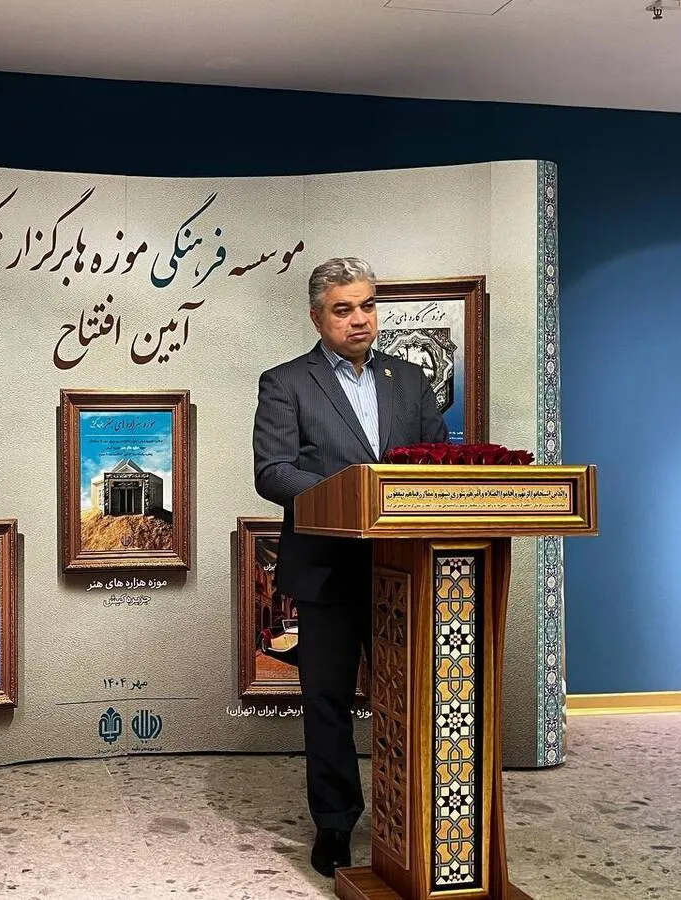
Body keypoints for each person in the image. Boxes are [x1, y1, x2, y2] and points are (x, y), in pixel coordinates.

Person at [252, 257, 446, 877]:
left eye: (367, 305)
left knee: (413, 697)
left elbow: (438, 461)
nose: (359, 319)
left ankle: (411, 812)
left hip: (405, 569)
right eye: (343, 309)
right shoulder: (286, 382)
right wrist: (350, 497)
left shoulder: (409, 379)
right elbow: (272, 473)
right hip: (327, 570)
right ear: (318, 317)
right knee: (329, 702)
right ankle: (335, 824)